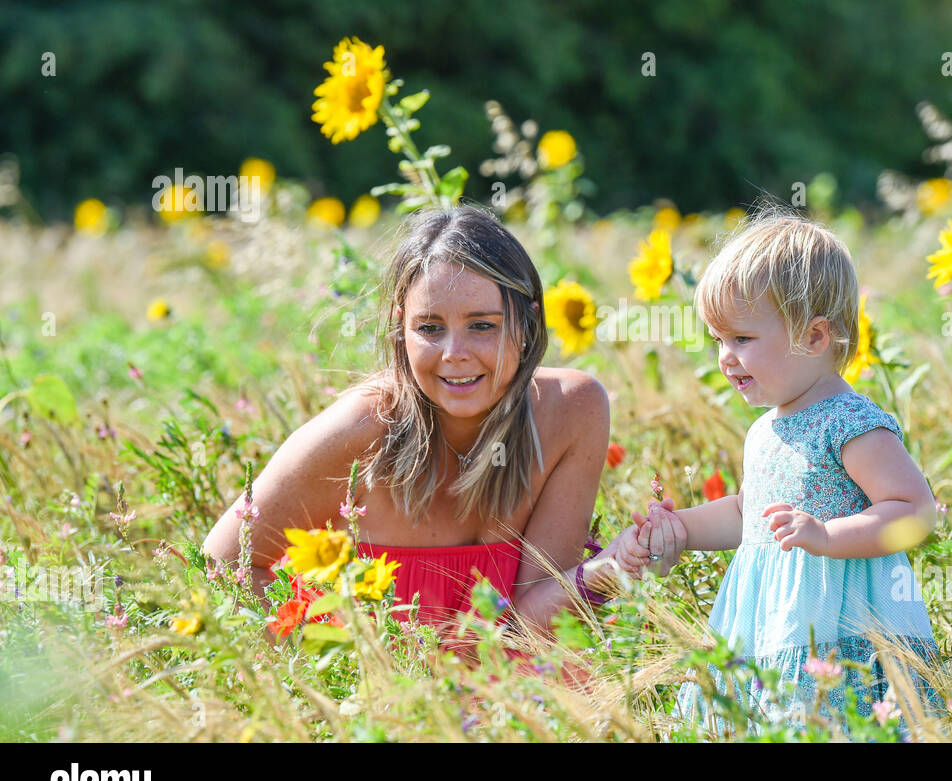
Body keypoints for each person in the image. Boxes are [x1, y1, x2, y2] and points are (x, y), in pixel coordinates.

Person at [201, 203, 675, 644]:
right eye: (430, 328)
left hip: (511, 693)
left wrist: (608, 570)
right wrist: (331, 665)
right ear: (401, 326)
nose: (454, 354)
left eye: (482, 325)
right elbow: (223, 561)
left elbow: (530, 628)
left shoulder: (571, 411)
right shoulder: (363, 431)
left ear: (528, 324)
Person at [617, 202, 944, 737]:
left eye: (742, 339)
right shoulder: (766, 427)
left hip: (841, 628)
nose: (725, 357)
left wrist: (828, 534)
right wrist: (680, 529)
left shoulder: (851, 422)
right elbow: (751, 515)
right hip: (768, 622)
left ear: (814, 338)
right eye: (718, 340)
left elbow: (915, 509)